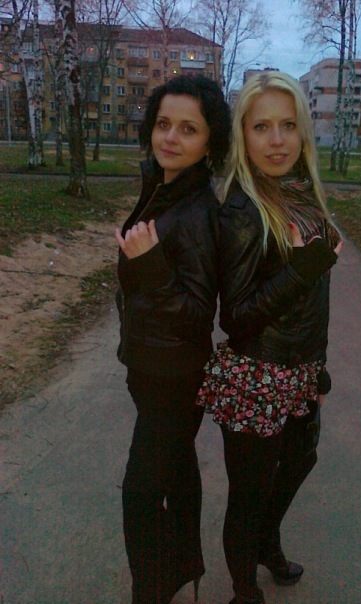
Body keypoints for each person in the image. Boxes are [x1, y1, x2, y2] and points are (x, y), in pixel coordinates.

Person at [197, 71, 343, 604]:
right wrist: (301, 270)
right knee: (250, 494)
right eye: (262, 127)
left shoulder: (301, 195)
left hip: (299, 369)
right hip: (256, 375)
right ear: (243, 134)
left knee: (301, 461)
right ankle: (244, 590)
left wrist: (317, 368)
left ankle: (265, 544)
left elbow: (313, 302)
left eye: (288, 125)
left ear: (303, 131)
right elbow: (236, 317)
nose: (277, 140)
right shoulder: (242, 209)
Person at [115, 74, 230, 604]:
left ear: (209, 142)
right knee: (179, 472)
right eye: (164, 124)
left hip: (174, 378)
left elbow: (197, 315)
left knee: (139, 494)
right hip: (147, 367)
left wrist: (152, 265)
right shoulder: (163, 189)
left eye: (189, 129)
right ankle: (184, 565)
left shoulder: (199, 211)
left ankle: (153, 588)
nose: (171, 137)